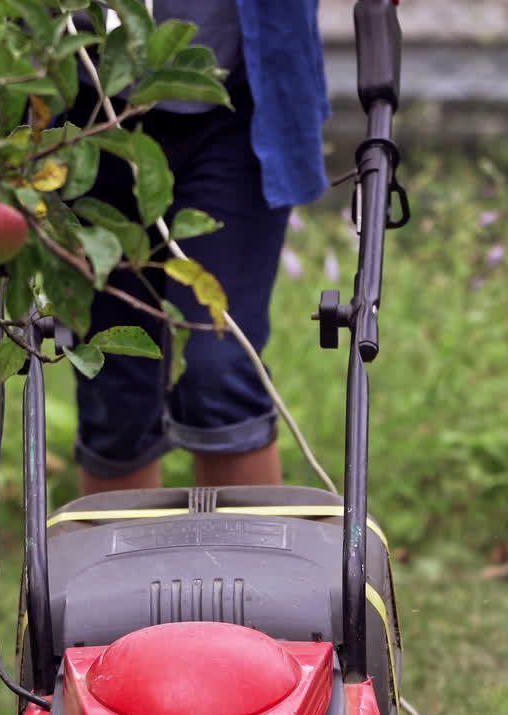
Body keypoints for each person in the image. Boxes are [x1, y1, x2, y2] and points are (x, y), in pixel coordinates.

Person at [71, 1, 330, 496]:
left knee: (221, 366)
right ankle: (116, 569)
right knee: (112, 383)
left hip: (238, 100)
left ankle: (247, 569)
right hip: (82, 102)